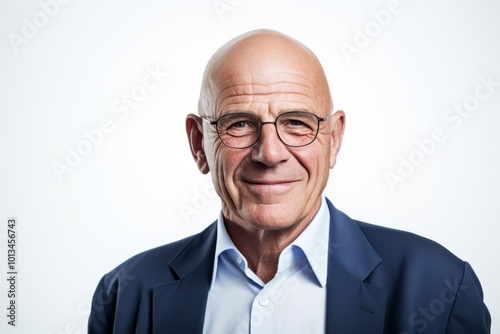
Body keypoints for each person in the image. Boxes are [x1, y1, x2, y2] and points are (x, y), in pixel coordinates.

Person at [88, 29, 491, 333]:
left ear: (333, 140)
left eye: (297, 123)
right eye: (240, 124)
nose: (270, 153)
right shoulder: (124, 295)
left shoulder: (439, 286)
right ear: (199, 144)